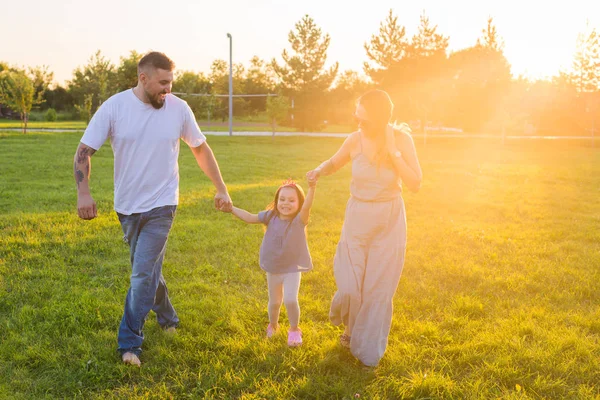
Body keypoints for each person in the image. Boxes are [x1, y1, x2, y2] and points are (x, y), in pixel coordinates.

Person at [73, 51, 232, 366]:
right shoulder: (115, 108)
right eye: (162, 83)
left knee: (142, 272)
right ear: (142, 78)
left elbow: (200, 148)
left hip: (163, 204)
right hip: (127, 207)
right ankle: (168, 318)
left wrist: (221, 187)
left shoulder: (178, 109)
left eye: (171, 82)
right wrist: (84, 194)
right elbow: (83, 152)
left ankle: (129, 343)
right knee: (147, 273)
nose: (168, 89)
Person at [306, 89, 422, 366]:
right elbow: (335, 162)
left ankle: (364, 346)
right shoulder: (354, 139)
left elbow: (415, 183)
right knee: (350, 285)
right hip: (358, 215)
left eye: (364, 119)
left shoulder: (402, 140)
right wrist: (319, 170)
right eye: (356, 116)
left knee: (377, 288)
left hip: (389, 218)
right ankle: (348, 324)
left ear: (381, 119)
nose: (358, 122)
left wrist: (393, 152)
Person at [224, 178, 316, 346]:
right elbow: (250, 217)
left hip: (292, 269)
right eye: (282, 199)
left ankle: (294, 330)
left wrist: (312, 187)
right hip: (273, 268)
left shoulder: (299, 220)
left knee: (290, 299)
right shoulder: (270, 216)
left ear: (299, 203)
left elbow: (308, 206)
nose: (286, 203)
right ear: (276, 201)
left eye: (291, 200)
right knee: (274, 302)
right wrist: (231, 209)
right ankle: (273, 325)